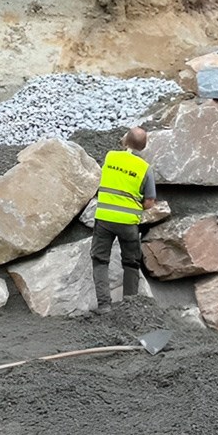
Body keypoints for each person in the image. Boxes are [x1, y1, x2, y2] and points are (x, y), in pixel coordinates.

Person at [92, 126, 156, 308]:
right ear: (144, 146)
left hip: (104, 218)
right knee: (131, 263)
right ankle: (129, 306)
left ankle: (104, 306)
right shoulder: (144, 168)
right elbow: (150, 201)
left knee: (100, 259)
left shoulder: (110, 157)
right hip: (128, 223)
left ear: (126, 140)